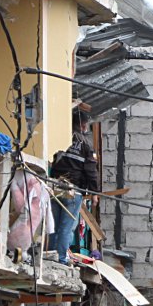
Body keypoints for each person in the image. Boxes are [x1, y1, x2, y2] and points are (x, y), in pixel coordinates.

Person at [48, 107, 99, 265]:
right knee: (66, 227)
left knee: (54, 225)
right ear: (83, 125)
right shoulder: (85, 145)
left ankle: (51, 255)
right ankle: (61, 259)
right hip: (73, 191)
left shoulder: (60, 138)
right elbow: (91, 170)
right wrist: (95, 192)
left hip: (55, 186)